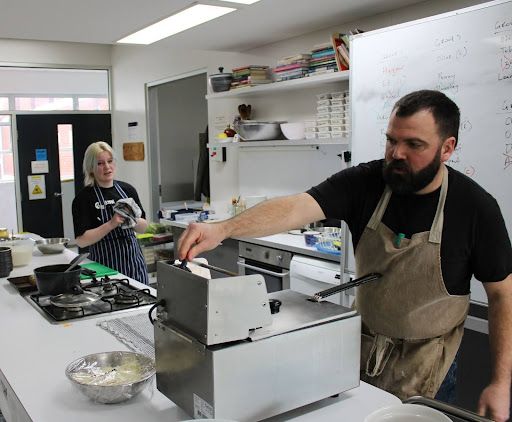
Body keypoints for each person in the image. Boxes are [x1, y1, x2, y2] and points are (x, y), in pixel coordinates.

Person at [178, 90, 512, 421]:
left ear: (447, 148)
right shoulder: (367, 182)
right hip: (360, 346)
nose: (396, 153)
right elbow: (296, 207)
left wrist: (500, 383)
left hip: (429, 363)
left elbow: (502, 297)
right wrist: (223, 229)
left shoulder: (475, 209)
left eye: (414, 145)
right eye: (391, 140)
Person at [72, 141, 149, 284]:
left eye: (110, 161)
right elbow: (81, 241)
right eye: (100, 163)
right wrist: (111, 224)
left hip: (134, 265)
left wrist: (132, 220)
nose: (107, 167)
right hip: (104, 269)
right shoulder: (83, 198)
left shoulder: (127, 190)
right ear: (91, 168)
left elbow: (144, 227)